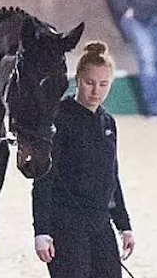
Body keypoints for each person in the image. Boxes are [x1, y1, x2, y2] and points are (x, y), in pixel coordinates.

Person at [32, 41, 136, 277]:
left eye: (103, 84)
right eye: (90, 83)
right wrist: (42, 231)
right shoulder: (58, 118)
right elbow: (43, 180)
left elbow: (111, 177)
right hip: (66, 223)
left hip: (100, 223)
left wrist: (124, 225)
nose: (96, 91)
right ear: (77, 79)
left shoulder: (108, 122)